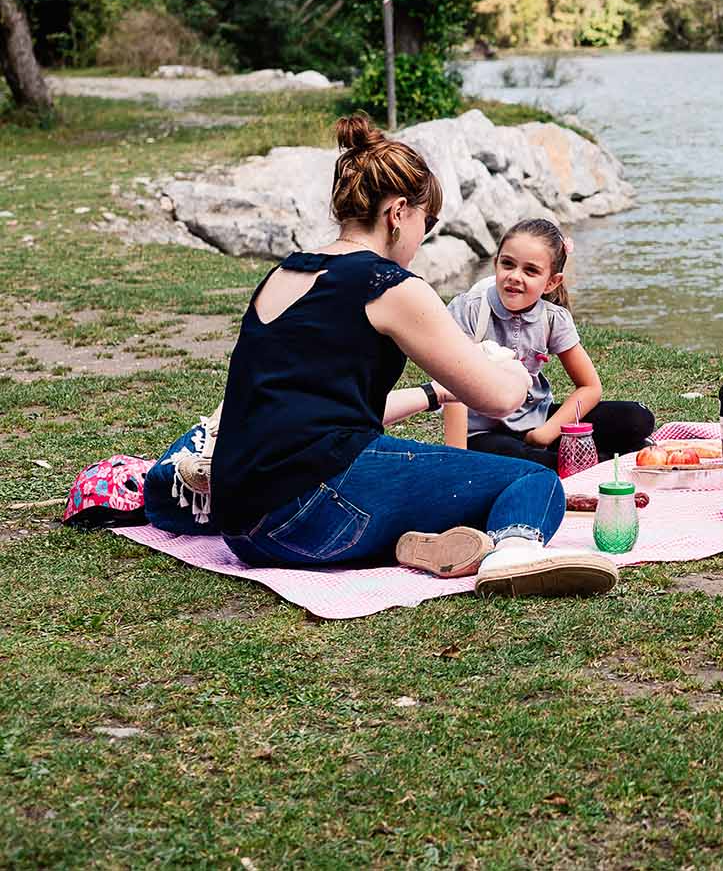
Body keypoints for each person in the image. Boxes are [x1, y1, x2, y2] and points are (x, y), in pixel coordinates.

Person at [210, 114, 618, 596]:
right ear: (398, 212)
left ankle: (419, 543)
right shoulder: (388, 285)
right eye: (428, 222)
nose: (424, 236)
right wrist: (506, 363)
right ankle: (511, 555)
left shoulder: (285, 273)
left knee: (415, 475)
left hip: (242, 525)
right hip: (313, 514)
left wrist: (431, 393)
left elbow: (320, 411)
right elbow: (501, 399)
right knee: (533, 483)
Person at [440, 218, 656, 468]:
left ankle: (571, 459)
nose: (515, 277)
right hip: (482, 435)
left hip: (538, 422)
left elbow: (590, 387)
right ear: (496, 263)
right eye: (507, 264)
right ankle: (602, 462)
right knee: (514, 456)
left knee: (636, 419)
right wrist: (455, 457)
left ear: (552, 282)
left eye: (530, 271)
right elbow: (451, 386)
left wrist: (547, 431)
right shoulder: (469, 309)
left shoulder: (553, 318)